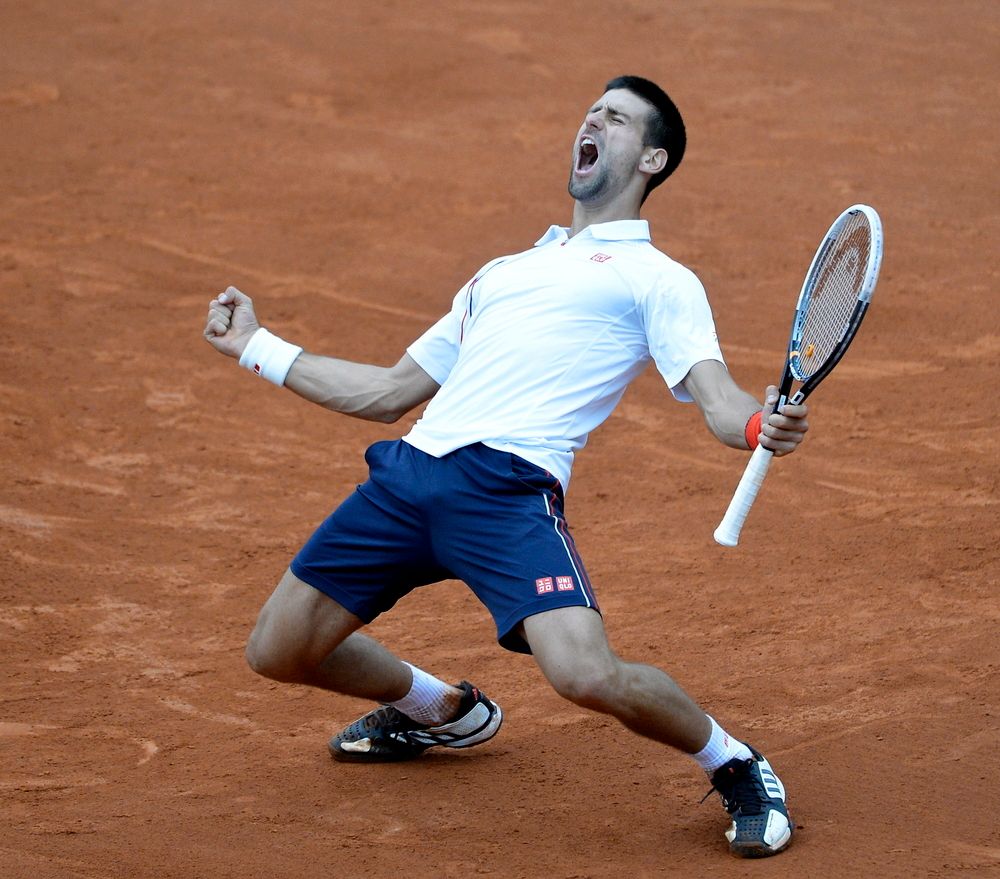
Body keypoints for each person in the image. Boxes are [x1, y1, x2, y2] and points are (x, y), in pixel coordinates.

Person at [203, 75, 808, 858]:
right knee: (277, 650)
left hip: (507, 491)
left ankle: (734, 763)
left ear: (652, 159)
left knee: (585, 674)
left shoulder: (658, 279)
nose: (593, 120)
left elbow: (718, 398)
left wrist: (760, 425)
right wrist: (254, 345)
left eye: (617, 118)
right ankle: (440, 710)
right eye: (591, 111)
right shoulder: (500, 272)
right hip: (408, 478)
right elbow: (387, 391)